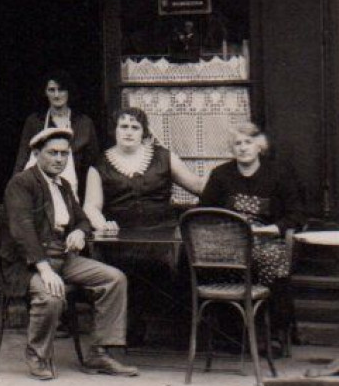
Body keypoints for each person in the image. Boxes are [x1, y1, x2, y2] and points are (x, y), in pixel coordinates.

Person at [0, 127, 139, 381]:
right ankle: (37, 355)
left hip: (63, 256)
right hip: (26, 264)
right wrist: (45, 269)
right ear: (37, 153)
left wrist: (80, 233)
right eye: (53, 153)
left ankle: (99, 353)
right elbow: (23, 231)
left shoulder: (63, 185)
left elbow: (82, 219)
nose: (59, 159)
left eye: (64, 154)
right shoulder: (22, 183)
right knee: (51, 295)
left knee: (114, 278)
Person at [198, 122, 305, 287]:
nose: (243, 148)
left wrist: (267, 230)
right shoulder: (220, 174)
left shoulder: (279, 174)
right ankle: (223, 307)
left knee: (271, 257)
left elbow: (296, 215)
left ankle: (265, 307)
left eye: (248, 142)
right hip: (229, 240)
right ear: (232, 149)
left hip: (268, 239)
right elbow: (203, 212)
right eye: (237, 143)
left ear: (259, 146)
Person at [84, 106, 206, 232]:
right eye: (124, 126)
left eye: (135, 127)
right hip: (120, 240)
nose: (129, 132)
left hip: (164, 238)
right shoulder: (99, 166)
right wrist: (103, 225)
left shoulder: (164, 157)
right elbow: (91, 207)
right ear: (115, 130)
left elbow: (198, 186)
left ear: (143, 132)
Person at [14, 71, 100, 204]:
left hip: (75, 194)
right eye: (51, 90)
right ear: (45, 92)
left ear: (69, 92)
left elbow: (93, 166)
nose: (56, 95)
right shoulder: (35, 121)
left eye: (61, 90)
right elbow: (22, 158)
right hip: (40, 194)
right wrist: (15, 192)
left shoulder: (84, 123)